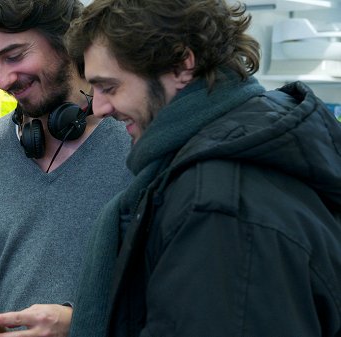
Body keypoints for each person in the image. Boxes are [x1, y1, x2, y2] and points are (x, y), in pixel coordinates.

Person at [65, 0, 341, 336]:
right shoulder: (256, 134)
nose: (98, 107)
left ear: (182, 65)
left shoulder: (216, 206)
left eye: (110, 87)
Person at [0, 0, 133, 336]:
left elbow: (165, 298)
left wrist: (78, 325)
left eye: (14, 55)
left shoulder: (136, 146)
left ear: (66, 37)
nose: (2, 80)